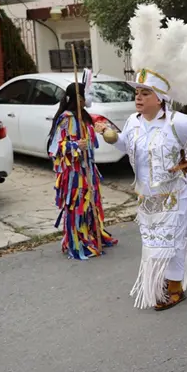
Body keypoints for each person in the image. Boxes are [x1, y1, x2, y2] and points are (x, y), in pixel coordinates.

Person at [105, 3, 187, 311]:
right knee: (153, 239)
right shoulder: (132, 122)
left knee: (174, 237)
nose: (138, 98)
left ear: (160, 98)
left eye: (145, 94)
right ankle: (163, 280)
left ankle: (174, 287)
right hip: (148, 193)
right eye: (137, 93)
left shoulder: (176, 122)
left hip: (178, 191)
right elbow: (128, 148)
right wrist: (114, 138)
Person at [47, 81, 118, 260]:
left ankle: (93, 234)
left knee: (91, 203)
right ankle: (77, 241)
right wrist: (75, 145)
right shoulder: (66, 119)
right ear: (79, 98)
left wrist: (101, 129)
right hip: (74, 173)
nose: (89, 97)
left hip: (89, 170)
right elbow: (55, 147)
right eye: (86, 94)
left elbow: (94, 134)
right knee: (77, 205)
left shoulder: (84, 117)